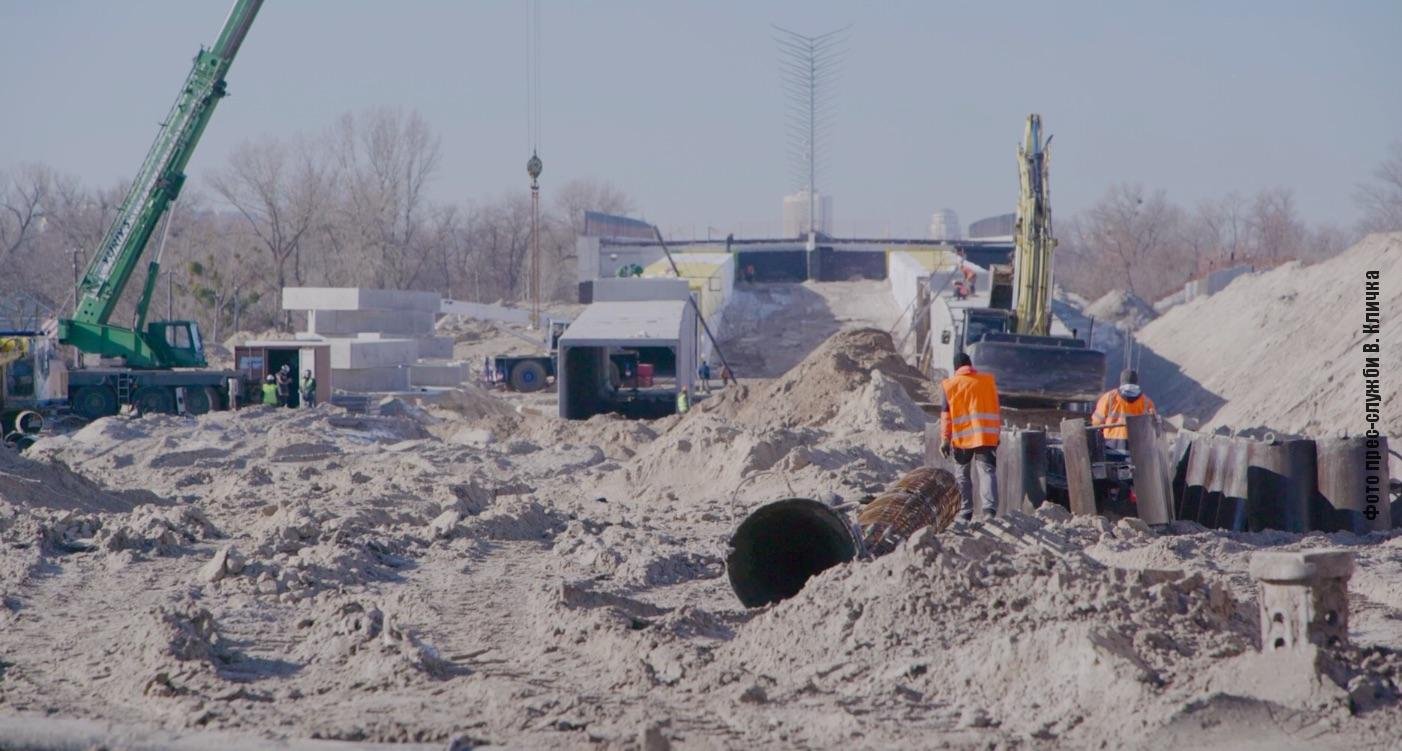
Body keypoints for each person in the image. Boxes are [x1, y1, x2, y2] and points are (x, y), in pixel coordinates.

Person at [939, 352, 1001, 522]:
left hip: (962, 439)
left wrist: (945, 439)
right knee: (987, 472)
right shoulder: (988, 381)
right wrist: (997, 434)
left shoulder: (949, 385)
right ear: (970, 364)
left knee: (962, 475)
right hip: (986, 436)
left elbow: (946, 416)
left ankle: (965, 513)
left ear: (955, 368)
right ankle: (989, 511)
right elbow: (996, 409)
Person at [1093, 369, 1157, 449]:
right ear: (1136, 382)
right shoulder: (1147, 402)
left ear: (1121, 381)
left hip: (1111, 443)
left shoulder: (1109, 397)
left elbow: (1097, 422)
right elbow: (1154, 426)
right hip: (1137, 445)